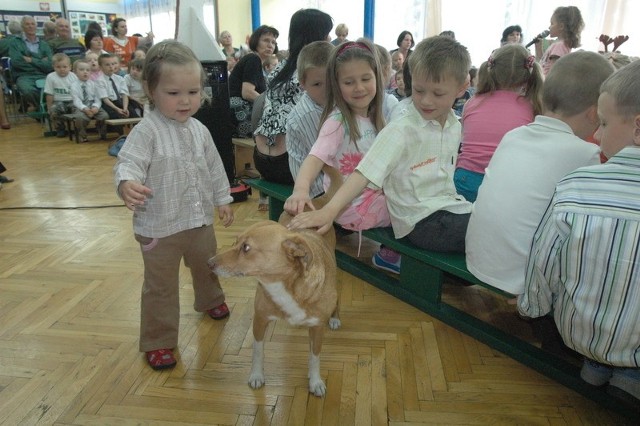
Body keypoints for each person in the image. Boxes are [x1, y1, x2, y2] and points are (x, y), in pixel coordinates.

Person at [518, 60, 640, 404]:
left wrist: (531, 309)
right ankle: (627, 376)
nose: (596, 135)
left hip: (576, 333)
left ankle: (597, 365)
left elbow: (542, 262)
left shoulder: (574, 186)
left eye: (602, 123)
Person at [289, 36, 472, 257]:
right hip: (358, 204)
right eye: (419, 91)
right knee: (411, 205)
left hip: (378, 198)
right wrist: (308, 196)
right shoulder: (343, 122)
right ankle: (392, 253)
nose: (425, 101)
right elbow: (354, 169)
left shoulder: (382, 117)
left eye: (366, 79)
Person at [113, 40, 234, 371]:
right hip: (159, 228)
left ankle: (210, 300)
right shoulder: (146, 131)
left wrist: (222, 198)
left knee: (207, 265)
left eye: (193, 92)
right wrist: (126, 184)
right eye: (174, 93)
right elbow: (128, 163)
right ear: (151, 90)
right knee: (160, 288)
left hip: (197, 221)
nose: (186, 101)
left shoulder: (200, 130)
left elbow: (214, 167)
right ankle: (158, 339)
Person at [465, 51, 615, 296]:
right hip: (520, 277)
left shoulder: (513, 135)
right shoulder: (585, 153)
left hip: (478, 258)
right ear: (593, 113)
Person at [285, 39, 391, 238]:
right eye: (349, 82)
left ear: (377, 77)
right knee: (411, 210)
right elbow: (314, 158)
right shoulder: (338, 121)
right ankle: (392, 254)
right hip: (351, 207)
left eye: (366, 79)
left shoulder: (374, 117)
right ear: (337, 85)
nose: (359, 87)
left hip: (366, 198)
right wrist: (300, 190)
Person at [454, 43, 544, 202]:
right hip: (505, 184)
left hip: (463, 180)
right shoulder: (533, 108)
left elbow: (463, 140)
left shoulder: (473, 102)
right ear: (528, 76)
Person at [253, 9, 333, 186]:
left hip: (261, 159)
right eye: (327, 34)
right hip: (287, 164)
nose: (329, 39)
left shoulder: (279, 68)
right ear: (318, 37)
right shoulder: (312, 75)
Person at [285, 41, 334, 199]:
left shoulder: (329, 104)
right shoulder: (308, 114)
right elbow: (325, 160)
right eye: (317, 84)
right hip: (316, 189)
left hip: (332, 180)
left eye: (331, 81)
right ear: (303, 84)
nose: (326, 90)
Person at [228, 25, 279, 138]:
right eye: (266, 40)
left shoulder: (256, 62)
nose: (270, 45)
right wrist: (272, 105)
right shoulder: (253, 59)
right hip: (239, 113)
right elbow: (247, 93)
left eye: (273, 42)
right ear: (256, 42)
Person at [8, 15, 53, 111]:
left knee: (55, 88)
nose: (30, 26)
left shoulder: (44, 44)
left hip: (43, 74)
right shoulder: (15, 43)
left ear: (36, 26)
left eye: (33, 24)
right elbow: (17, 63)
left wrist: (31, 60)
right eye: (27, 24)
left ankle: (43, 111)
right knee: (28, 91)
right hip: (24, 76)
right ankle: (43, 110)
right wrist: (40, 61)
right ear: (22, 27)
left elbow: (49, 65)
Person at [535, 6, 584, 75]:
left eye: (552, 23)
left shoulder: (560, 46)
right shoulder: (560, 44)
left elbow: (553, 72)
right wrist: (539, 49)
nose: (549, 27)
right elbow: (545, 64)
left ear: (561, 26)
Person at [69, 58, 108, 142]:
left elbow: (97, 98)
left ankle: (102, 132)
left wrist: (96, 107)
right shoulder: (74, 85)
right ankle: (83, 135)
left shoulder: (94, 84)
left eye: (88, 70)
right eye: (82, 70)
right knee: (80, 117)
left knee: (104, 116)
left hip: (92, 104)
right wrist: (85, 109)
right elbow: (76, 100)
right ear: (75, 72)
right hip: (80, 106)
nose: (85, 72)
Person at [96, 53, 138, 122]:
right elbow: (105, 99)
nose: (111, 67)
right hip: (110, 104)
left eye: (113, 64)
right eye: (107, 65)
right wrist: (117, 109)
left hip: (122, 102)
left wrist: (125, 108)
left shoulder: (120, 79)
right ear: (100, 67)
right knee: (116, 117)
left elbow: (124, 95)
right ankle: (120, 132)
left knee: (133, 114)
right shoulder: (99, 81)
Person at [44, 53, 78, 137]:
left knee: (78, 109)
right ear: (53, 67)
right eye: (58, 67)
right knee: (54, 110)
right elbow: (49, 93)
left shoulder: (73, 76)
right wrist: (49, 107)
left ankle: (78, 128)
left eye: (64, 67)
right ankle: (60, 129)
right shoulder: (50, 77)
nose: (62, 69)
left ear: (70, 67)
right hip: (58, 101)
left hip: (72, 100)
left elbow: (78, 92)